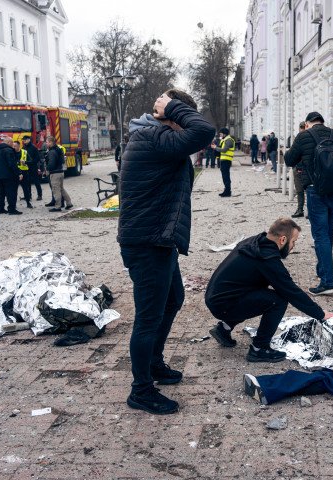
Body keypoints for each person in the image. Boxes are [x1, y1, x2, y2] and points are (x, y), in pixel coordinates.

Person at [118, 88, 215, 415]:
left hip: (157, 238)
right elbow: (204, 131)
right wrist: (172, 108)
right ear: (174, 117)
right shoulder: (153, 137)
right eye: (182, 118)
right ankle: (141, 391)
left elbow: (196, 133)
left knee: (173, 299)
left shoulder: (153, 136)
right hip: (148, 243)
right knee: (147, 318)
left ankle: (155, 364)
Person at [205, 217, 333, 362]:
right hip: (223, 303)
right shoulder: (266, 258)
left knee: (258, 291)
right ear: (283, 240)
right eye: (294, 242)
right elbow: (291, 291)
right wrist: (320, 314)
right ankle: (259, 349)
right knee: (278, 300)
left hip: (217, 296)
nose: (293, 246)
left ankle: (224, 329)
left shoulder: (255, 242)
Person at [285, 111, 333, 296]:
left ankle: (328, 282)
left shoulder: (303, 136)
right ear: (323, 122)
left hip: (315, 190)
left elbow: (289, 160)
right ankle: (323, 271)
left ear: (308, 123)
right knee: (328, 234)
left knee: (320, 236)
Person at [0, 137, 23, 215]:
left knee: (2, 192)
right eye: (12, 143)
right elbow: (12, 164)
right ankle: (12, 209)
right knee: (11, 192)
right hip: (8, 175)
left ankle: (0, 208)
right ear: (9, 142)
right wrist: (19, 173)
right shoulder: (8, 150)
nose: (13, 145)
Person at [45, 136, 73, 212]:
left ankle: (58, 207)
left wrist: (47, 168)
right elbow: (62, 161)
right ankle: (69, 203)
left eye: (47, 142)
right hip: (61, 172)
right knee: (61, 189)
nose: (46, 143)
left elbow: (51, 164)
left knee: (56, 190)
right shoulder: (59, 149)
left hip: (55, 173)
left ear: (51, 142)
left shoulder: (52, 152)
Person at [213, 127, 236, 197]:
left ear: (224, 134)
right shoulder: (225, 139)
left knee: (226, 176)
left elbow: (224, 150)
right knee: (225, 176)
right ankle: (226, 190)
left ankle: (227, 191)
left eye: (221, 134)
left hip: (226, 160)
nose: (220, 135)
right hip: (224, 160)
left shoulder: (228, 140)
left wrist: (215, 148)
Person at [291, 122, 307, 218]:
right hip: (299, 167)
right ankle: (301, 209)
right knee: (300, 190)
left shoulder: (301, 138)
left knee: (303, 190)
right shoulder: (299, 138)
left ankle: (301, 209)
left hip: (302, 168)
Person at [22, 136, 43, 202]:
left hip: (33, 167)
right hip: (26, 167)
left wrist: (31, 163)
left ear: (29, 140)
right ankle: (28, 195)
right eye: (23, 140)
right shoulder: (24, 147)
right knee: (27, 182)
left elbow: (37, 158)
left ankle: (39, 195)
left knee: (36, 181)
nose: (24, 141)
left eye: (25, 140)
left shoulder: (33, 147)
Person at [13, 140, 33, 209]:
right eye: (13, 146)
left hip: (24, 172)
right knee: (14, 190)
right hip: (15, 173)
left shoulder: (24, 152)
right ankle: (13, 205)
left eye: (15, 146)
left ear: (19, 146)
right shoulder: (11, 152)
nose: (14, 147)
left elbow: (31, 161)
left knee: (25, 189)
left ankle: (28, 203)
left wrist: (25, 162)